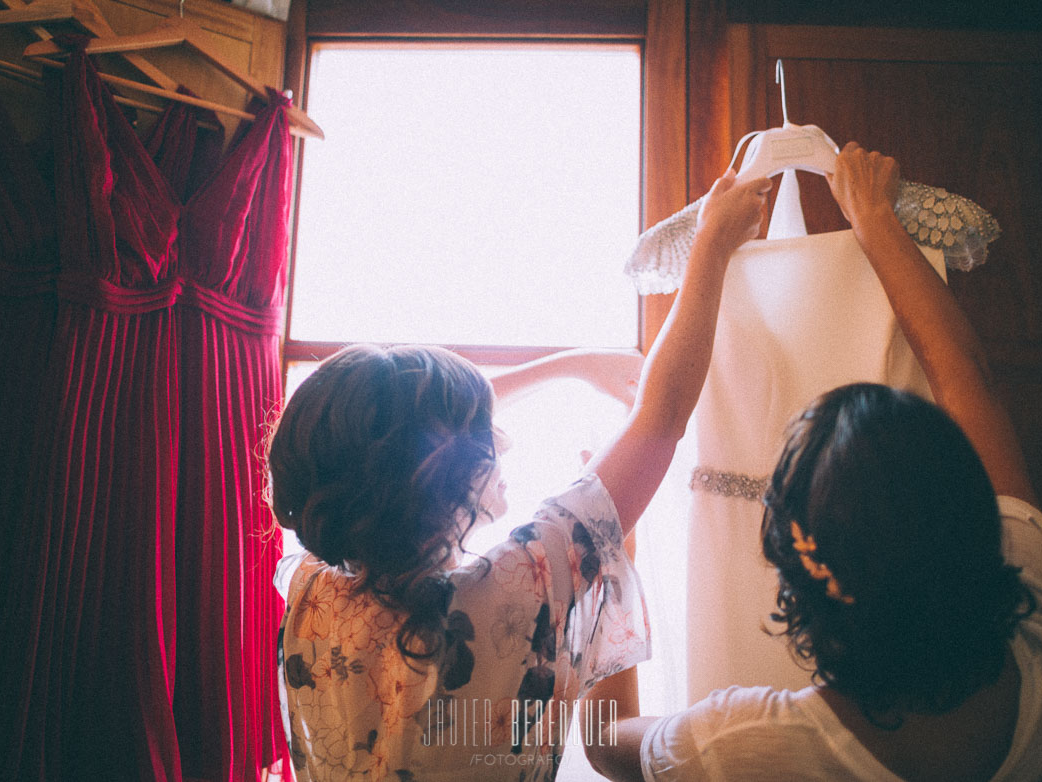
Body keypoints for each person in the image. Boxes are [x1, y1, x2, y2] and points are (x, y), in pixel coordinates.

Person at [581, 143, 1042, 781]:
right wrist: (876, 220)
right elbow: (970, 382)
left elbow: (606, 742)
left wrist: (614, 540)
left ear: (804, 568)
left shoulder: (748, 747)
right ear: (970, 511)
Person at [265, 171, 774, 780]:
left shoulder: (310, 589)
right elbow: (661, 418)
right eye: (483, 434)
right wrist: (711, 247)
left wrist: (572, 366)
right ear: (444, 473)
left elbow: (384, 432)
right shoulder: (520, 582)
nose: (500, 440)